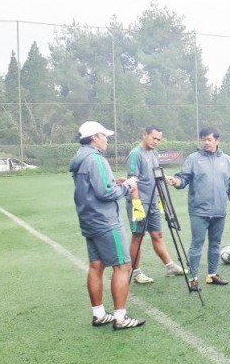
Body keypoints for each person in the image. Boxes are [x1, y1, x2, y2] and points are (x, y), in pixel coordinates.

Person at [69, 121, 145, 330]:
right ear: (94, 138)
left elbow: (98, 188)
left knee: (96, 266)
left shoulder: (81, 159)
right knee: (122, 266)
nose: (107, 139)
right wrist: (127, 186)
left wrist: (115, 183)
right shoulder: (96, 160)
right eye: (104, 136)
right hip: (105, 221)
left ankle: (99, 314)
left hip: (89, 220)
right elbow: (105, 193)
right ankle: (121, 318)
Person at [167, 126, 230, 291]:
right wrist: (175, 181)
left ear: (217, 140)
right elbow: (183, 179)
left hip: (219, 211)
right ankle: (192, 278)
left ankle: (212, 275)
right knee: (197, 244)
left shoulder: (227, 160)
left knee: (215, 243)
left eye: (209, 139)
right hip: (199, 211)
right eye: (203, 139)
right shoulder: (193, 158)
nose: (206, 142)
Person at [126, 125, 184, 284]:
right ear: (145, 135)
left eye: (159, 139)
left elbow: (155, 172)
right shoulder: (135, 154)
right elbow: (132, 181)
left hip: (153, 202)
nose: (156, 141)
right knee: (137, 237)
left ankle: (170, 266)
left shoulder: (154, 153)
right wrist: (136, 204)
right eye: (154, 138)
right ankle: (136, 272)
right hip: (140, 203)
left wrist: (167, 178)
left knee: (157, 234)